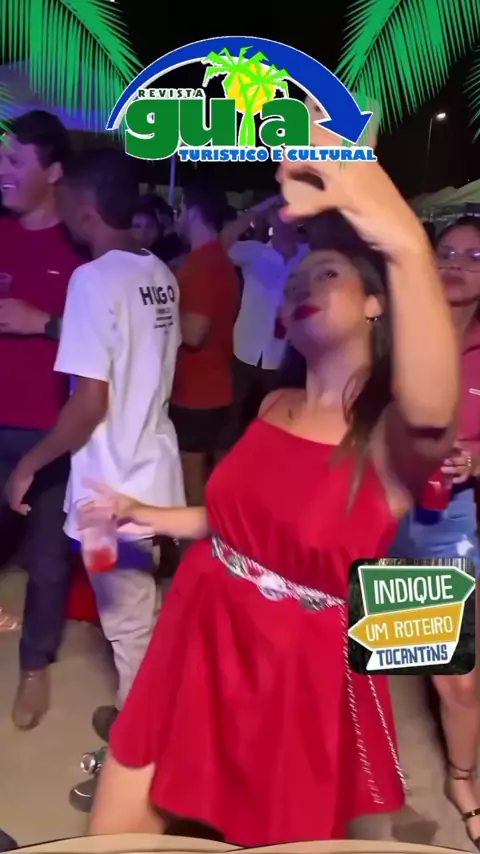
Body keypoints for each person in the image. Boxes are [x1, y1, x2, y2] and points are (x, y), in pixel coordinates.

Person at [85, 122, 458, 842]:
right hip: (200, 621)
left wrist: (405, 245)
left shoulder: (388, 437)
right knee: (118, 825)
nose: (304, 285)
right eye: (294, 282)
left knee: (278, 831)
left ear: (376, 302)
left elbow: (431, 410)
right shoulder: (271, 404)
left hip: (295, 666)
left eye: (329, 274)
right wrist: (146, 512)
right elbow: (236, 528)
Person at [6, 147, 185, 810]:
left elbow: (88, 403)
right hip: (152, 476)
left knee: (129, 630)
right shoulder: (157, 271)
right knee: (137, 617)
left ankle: (138, 763)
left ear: (84, 209)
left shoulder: (92, 280)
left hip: (110, 494)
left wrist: (30, 463)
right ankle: (141, 720)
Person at [389, 216, 480, 850]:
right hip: (380, 503)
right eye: (447, 251)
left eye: (474, 257)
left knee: (456, 672)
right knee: (377, 645)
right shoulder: (392, 328)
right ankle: (370, 770)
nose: (456, 263)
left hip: (447, 514)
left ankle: (460, 779)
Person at [0, 109, 83, 729]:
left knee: (49, 558)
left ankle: (35, 665)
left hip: (50, 431)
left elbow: (112, 335)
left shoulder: (80, 250)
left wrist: (45, 323)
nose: (3, 171)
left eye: (15, 160)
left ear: (52, 172)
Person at [170, 180, 240, 505]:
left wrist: (158, 311)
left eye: (180, 209)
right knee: (208, 481)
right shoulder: (221, 261)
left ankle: (198, 539)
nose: (177, 216)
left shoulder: (201, 264)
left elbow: (194, 333)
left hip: (194, 393)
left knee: (191, 486)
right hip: (217, 386)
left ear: (194, 212)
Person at [221, 195, 307, 444]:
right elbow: (221, 243)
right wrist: (259, 208)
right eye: (278, 215)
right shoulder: (254, 252)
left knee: (274, 425)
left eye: (289, 215)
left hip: (285, 356)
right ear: (269, 219)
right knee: (231, 423)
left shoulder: (308, 256)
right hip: (244, 351)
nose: (284, 221)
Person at [131, 194, 183, 265]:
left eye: (149, 226)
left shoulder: (172, 263)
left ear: (161, 229)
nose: (143, 233)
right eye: (136, 226)